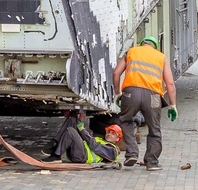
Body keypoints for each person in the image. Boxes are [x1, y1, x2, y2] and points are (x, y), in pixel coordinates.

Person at [112, 36, 177, 171]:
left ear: (142, 44)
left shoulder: (131, 52)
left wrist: (118, 93)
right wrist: (172, 105)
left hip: (130, 94)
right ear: (154, 46)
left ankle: (132, 153)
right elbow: (170, 83)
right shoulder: (161, 57)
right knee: (154, 128)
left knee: (126, 121)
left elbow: (116, 73)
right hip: (153, 96)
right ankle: (152, 162)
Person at [46, 112, 122, 165]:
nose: (109, 134)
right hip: (79, 151)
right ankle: (56, 146)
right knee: (72, 120)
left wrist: (82, 129)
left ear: (117, 139)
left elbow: (94, 146)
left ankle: (56, 156)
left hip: (83, 157)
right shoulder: (101, 140)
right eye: (108, 132)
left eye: (113, 133)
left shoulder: (112, 150)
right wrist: (80, 121)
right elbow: (87, 140)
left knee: (71, 131)